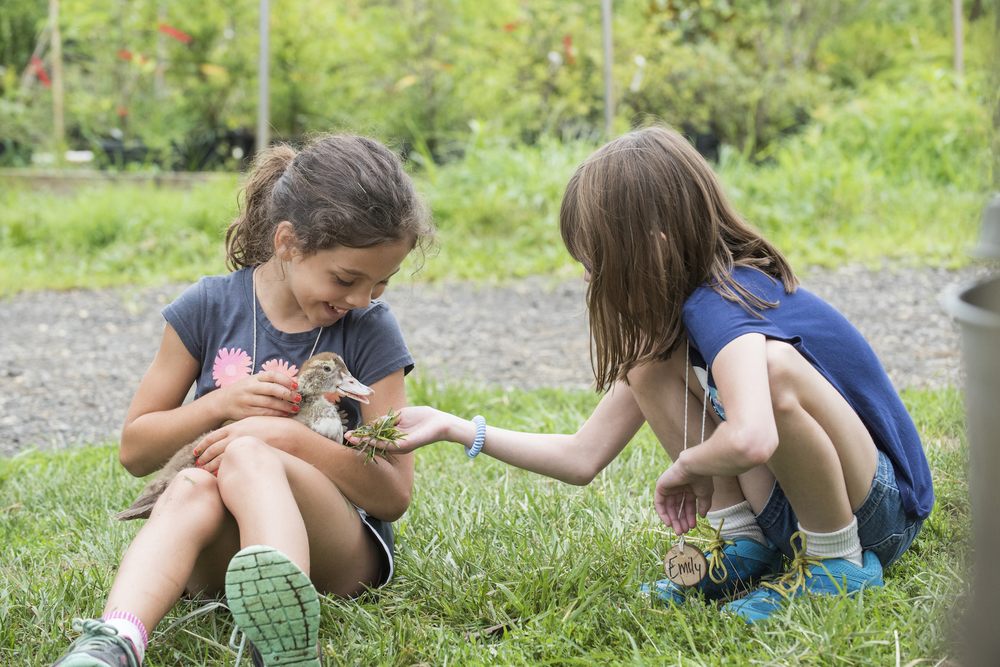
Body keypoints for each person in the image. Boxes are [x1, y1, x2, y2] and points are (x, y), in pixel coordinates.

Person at [351, 126, 933, 623]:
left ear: (652, 250)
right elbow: (583, 456)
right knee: (647, 364)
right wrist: (457, 427)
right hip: (790, 509)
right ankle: (741, 545)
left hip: (873, 514)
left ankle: (836, 566)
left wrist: (684, 468)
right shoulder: (675, 324)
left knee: (775, 374)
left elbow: (756, 435)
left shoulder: (726, 303)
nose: (588, 281)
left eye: (595, 263)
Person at [54, 134, 433, 666]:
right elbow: (135, 452)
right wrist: (219, 406)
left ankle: (284, 646)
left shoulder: (370, 330)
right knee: (188, 484)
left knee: (251, 454)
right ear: (287, 243)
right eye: (346, 279)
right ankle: (111, 643)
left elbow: (393, 493)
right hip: (217, 559)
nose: (361, 300)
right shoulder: (208, 306)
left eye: (381, 284)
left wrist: (281, 436)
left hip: (336, 553)